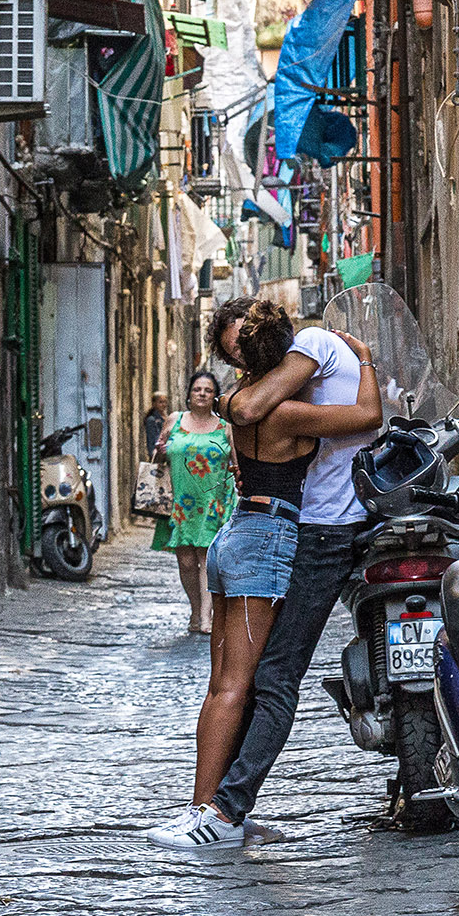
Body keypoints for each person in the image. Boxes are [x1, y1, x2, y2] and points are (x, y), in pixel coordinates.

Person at [148, 300, 379, 848]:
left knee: (221, 684)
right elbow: (368, 417)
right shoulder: (285, 412)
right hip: (268, 537)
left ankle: (202, 807)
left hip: (233, 529)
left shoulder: (241, 404)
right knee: (244, 686)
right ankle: (214, 816)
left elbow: (242, 410)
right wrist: (365, 361)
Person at [151, 370, 236, 634]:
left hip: (214, 500)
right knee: (186, 562)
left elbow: (236, 462)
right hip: (181, 502)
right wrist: (159, 451)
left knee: (207, 557)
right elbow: (157, 458)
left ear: (214, 396)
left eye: (208, 390)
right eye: (197, 389)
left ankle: (206, 617)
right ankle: (195, 608)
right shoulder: (175, 420)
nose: (202, 394)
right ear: (189, 394)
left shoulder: (225, 426)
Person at [143, 391, 171, 462]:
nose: (163, 404)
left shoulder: (168, 417)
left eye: (165, 402)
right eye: (160, 402)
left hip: (168, 454)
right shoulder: (152, 420)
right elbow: (151, 441)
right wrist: (154, 457)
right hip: (159, 456)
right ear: (154, 404)